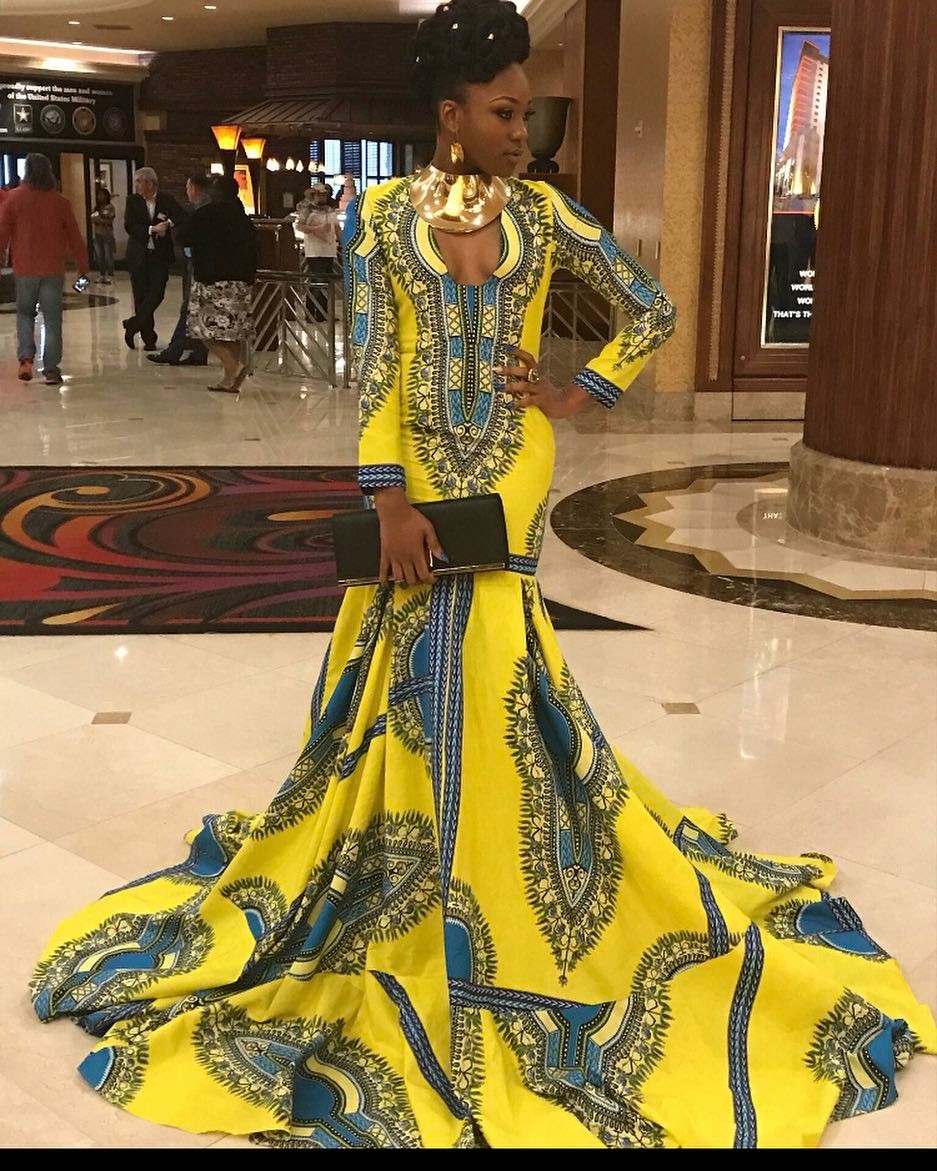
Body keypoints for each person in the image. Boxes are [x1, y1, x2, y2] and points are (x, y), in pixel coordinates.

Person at [29, 0, 934, 1150]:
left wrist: (573, 393)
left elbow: (649, 308)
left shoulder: (544, 214)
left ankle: (489, 862)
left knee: (487, 659)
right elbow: (381, 367)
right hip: (413, 473)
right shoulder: (381, 216)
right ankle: (413, 859)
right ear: (450, 115)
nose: (522, 129)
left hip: (509, 469)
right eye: (504, 111)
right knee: (406, 665)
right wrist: (386, 499)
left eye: (524, 111)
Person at [0, 152, 89, 385]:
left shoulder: (14, 198)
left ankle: (26, 359)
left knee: (25, 314)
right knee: (52, 319)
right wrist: (83, 268)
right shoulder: (60, 202)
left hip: (25, 268)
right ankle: (51, 369)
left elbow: (2, 233)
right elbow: (75, 237)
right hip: (52, 269)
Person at [176, 175, 257, 393]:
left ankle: (233, 367)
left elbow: (184, 236)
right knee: (233, 332)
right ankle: (230, 378)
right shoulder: (242, 217)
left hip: (212, 280)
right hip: (240, 281)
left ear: (216, 192)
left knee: (203, 329)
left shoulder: (206, 214)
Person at [147, 173, 211, 367]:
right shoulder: (203, 208)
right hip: (200, 262)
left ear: (194, 189)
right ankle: (197, 351)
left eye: (188, 188)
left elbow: (188, 234)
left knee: (190, 306)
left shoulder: (202, 210)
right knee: (194, 307)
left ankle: (175, 350)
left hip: (201, 264)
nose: (187, 192)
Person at [122, 166, 185, 351]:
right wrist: (152, 229)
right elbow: (130, 226)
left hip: (160, 256)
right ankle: (149, 339)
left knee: (157, 293)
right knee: (141, 296)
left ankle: (133, 324)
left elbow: (181, 215)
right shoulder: (132, 201)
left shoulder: (166, 199)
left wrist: (168, 224)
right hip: (138, 255)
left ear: (150, 183)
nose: (136, 185)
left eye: (139, 181)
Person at [294, 182, 340, 322]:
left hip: (329, 250)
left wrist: (343, 243)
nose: (322, 197)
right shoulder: (307, 210)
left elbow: (337, 227)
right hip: (314, 251)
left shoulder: (330, 210)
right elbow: (300, 226)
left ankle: (323, 313)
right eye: (319, 195)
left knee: (326, 282)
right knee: (316, 282)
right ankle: (310, 313)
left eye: (324, 195)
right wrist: (317, 229)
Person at [90, 186, 116, 285]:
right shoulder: (96, 208)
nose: (100, 196)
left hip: (107, 235)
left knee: (108, 255)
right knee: (99, 256)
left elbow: (109, 221)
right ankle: (102, 274)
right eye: (99, 195)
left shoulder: (110, 207)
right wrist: (99, 220)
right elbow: (93, 218)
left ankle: (110, 275)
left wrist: (100, 220)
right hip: (97, 234)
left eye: (102, 194)